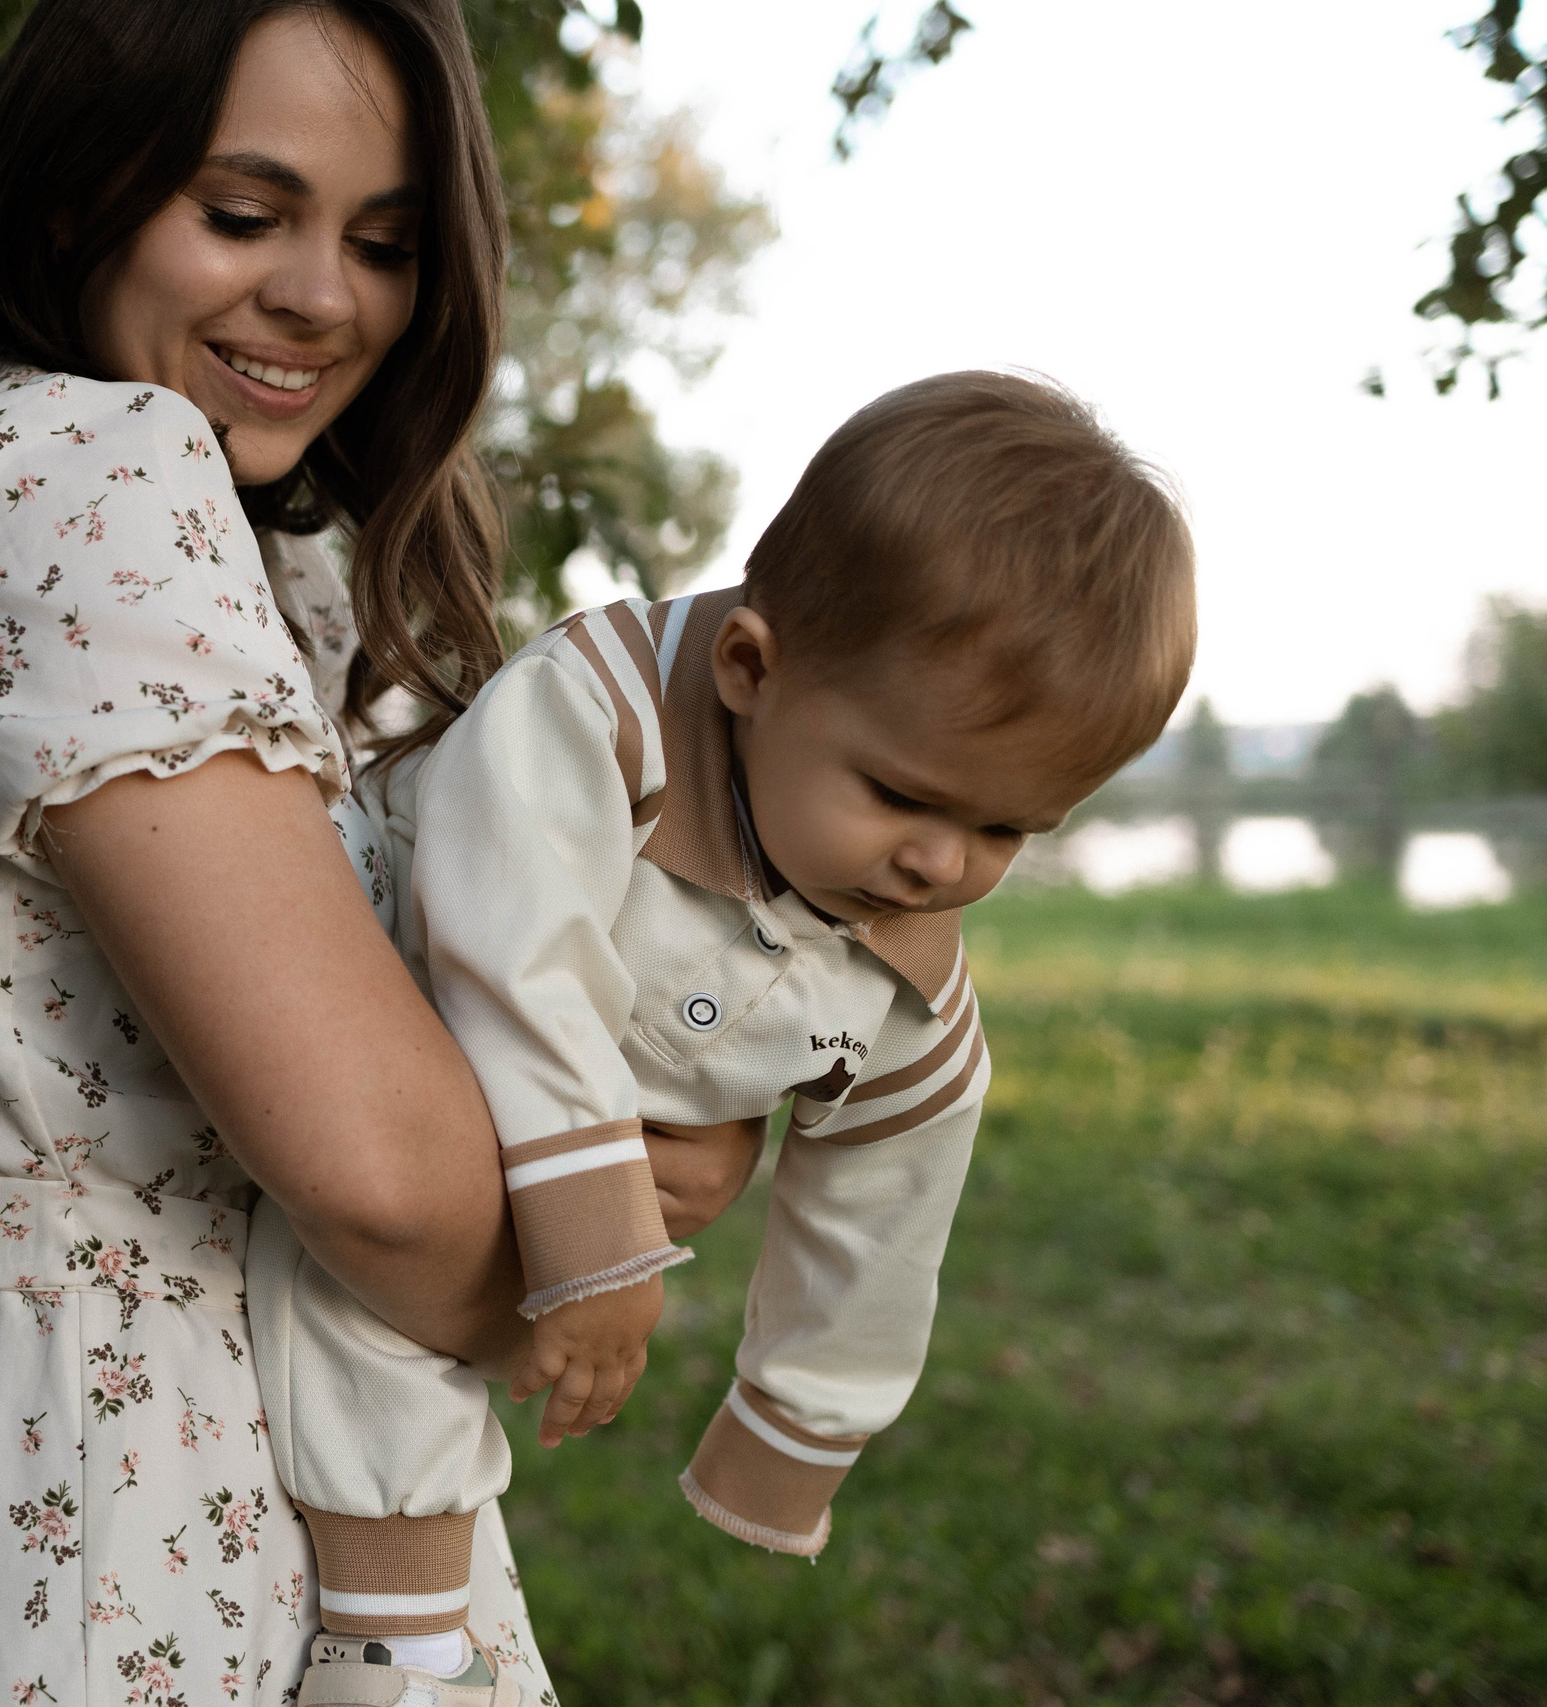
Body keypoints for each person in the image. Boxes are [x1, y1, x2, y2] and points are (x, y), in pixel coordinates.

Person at [0, 1, 632, 1700]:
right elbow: (380, 1169)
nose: (324, 295)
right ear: (79, 186)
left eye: (385, 244)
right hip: (127, 1472)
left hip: (235, 1430)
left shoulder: (247, 542)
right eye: (244, 215)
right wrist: (578, 1250)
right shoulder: (88, 468)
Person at [250, 370, 1198, 1692]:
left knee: (438, 1324)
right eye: (901, 795)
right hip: (367, 1049)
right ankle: (390, 1637)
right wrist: (600, 1245)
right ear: (752, 668)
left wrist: (793, 1430)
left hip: (530, 1167)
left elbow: (887, 1214)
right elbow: (515, 945)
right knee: (365, 1301)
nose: (939, 863)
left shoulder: (904, 995)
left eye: (1006, 830)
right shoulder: (595, 716)